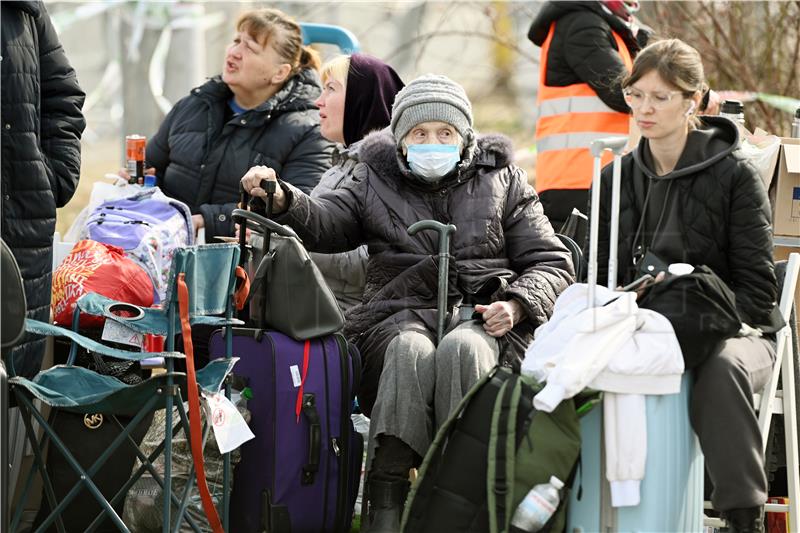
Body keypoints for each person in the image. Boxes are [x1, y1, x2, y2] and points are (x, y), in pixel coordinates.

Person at [241, 74, 574, 532]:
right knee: (408, 353)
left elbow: (552, 263)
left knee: (465, 350)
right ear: (400, 141)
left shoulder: (504, 179)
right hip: (396, 318)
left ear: (465, 138)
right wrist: (281, 198)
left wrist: (516, 304)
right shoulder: (372, 177)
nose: (432, 142)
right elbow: (325, 223)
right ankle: (387, 497)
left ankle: (467, 501)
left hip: (485, 319)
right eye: (419, 134)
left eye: (445, 133)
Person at [589, 39, 782, 532]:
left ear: (693, 101)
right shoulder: (616, 179)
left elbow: (758, 294)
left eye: (661, 97)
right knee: (575, 355)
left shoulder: (736, 175)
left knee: (718, 370)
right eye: (636, 96)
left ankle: (744, 519)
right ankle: (587, 512)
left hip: (738, 332)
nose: (644, 110)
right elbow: (601, 279)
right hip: (643, 325)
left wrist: (696, 314)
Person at [143, 7, 334, 240]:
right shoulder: (194, 105)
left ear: (279, 73)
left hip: (243, 266)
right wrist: (137, 184)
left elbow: (298, 213)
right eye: (236, 41)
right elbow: (151, 168)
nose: (234, 52)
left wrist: (210, 221)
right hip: (161, 244)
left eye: (250, 48)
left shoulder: (309, 131)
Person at [1, 1, 86, 379]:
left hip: (20, 224)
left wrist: (53, 179)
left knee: (12, 386)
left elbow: (62, 95)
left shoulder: (22, 10)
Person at [528, 0, 650, 230]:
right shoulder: (582, 25)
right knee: (585, 265)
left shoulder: (610, 27)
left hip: (596, 178)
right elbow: (624, 93)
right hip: (578, 183)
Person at [308, 53, 404, 311]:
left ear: (362, 99)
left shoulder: (387, 169)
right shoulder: (342, 162)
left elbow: (374, 261)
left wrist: (285, 239)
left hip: (352, 322)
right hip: (319, 309)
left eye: (331, 89)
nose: (319, 102)